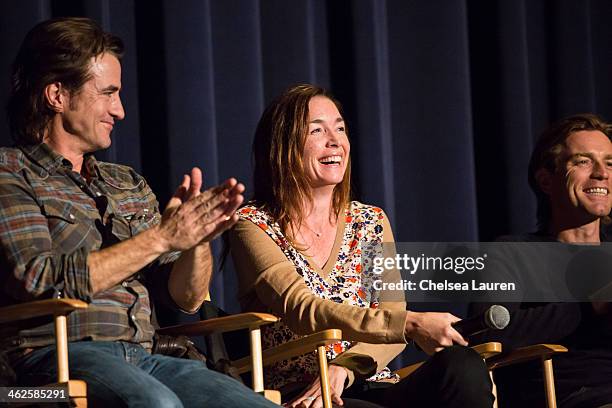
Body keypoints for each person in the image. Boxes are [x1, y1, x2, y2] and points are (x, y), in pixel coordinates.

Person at [0, 17, 278, 408]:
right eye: (108, 93)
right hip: (56, 359)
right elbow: (38, 278)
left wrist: (196, 240)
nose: (120, 111)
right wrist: (162, 237)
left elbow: (184, 299)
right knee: (158, 404)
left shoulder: (125, 183)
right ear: (57, 95)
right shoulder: (11, 173)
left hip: (151, 357)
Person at [229, 84, 494, 408]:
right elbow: (301, 308)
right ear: (282, 145)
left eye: (340, 128)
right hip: (307, 395)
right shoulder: (252, 224)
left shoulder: (369, 222)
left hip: (369, 383)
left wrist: (346, 368)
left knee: (464, 366)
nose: (335, 140)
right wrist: (409, 324)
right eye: (317, 130)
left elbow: (390, 315)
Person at [471, 113, 612, 407]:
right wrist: (587, 307)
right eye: (583, 161)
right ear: (546, 180)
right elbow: (488, 333)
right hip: (572, 395)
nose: (601, 173)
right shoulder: (511, 253)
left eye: (610, 163)